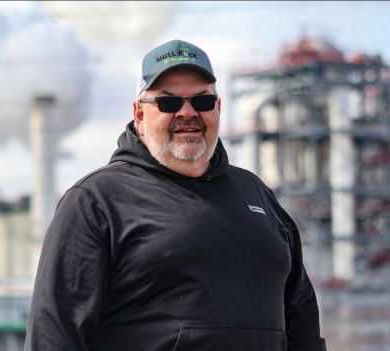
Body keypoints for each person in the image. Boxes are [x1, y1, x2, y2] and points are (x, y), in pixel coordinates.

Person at [24, 39, 327, 351]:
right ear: (139, 114)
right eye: (168, 103)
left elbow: (301, 315)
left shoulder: (256, 194)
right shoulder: (95, 202)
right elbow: (54, 334)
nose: (188, 113)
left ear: (218, 108)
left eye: (202, 101)